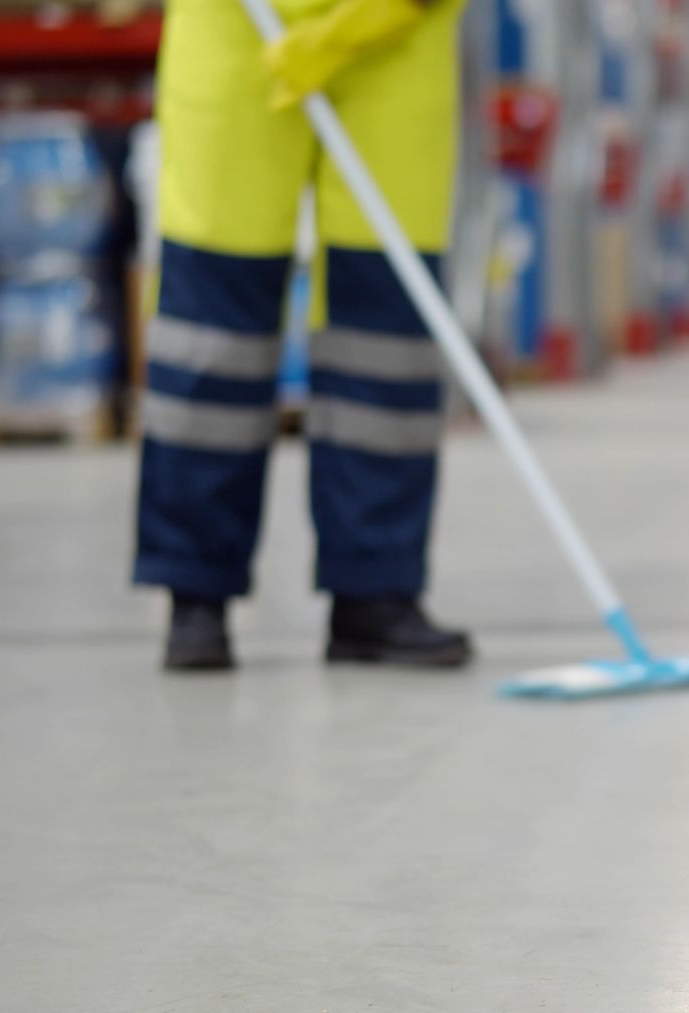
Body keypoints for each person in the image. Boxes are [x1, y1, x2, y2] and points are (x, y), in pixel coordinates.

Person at [135, 0, 471, 671]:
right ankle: (195, 588)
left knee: (386, 326)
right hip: (237, 26)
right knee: (214, 321)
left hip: (400, 30)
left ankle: (375, 587)